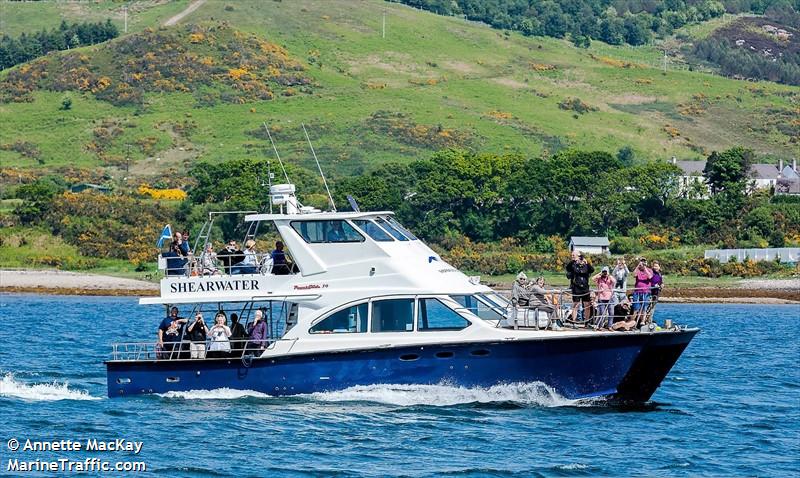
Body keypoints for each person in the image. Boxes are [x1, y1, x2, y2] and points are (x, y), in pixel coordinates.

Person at [566, 251, 594, 324]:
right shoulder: (573, 265)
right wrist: (573, 261)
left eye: (574, 255)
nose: (573, 256)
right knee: (576, 305)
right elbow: (567, 268)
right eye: (572, 255)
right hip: (576, 287)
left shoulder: (585, 265)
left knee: (587, 305)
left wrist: (587, 263)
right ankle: (574, 322)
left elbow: (592, 270)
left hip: (585, 288)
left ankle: (586, 322)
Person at [632, 258, 654, 324]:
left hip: (646, 291)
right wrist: (638, 266)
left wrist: (645, 268)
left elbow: (650, 277)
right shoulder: (638, 270)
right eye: (642, 262)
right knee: (636, 307)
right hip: (637, 292)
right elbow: (634, 275)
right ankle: (633, 322)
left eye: (644, 262)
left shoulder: (649, 270)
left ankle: (642, 321)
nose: (643, 263)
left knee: (644, 307)